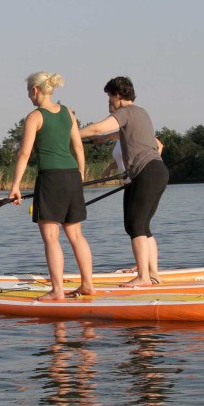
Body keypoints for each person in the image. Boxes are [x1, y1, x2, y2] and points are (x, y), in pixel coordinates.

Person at [9, 72, 95, 301]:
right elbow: (78, 147)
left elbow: (24, 153)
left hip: (50, 178)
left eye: (29, 92)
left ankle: (57, 290)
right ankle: (88, 284)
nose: (29, 97)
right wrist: (81, 175)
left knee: (51, 236)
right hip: (72, 176)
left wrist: (15, 185)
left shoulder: (35, 117)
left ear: (35, 90)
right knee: (76, 235)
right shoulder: (68, 112)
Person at [80, 76, 169, 286]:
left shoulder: (124, 112)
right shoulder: (140, 113)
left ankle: (143, 277)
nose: (108, 102)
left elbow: (97, 128)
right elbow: (112, 135)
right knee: (141, 226)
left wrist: (70, 132)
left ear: (118, 96)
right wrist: (96, 140)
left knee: (136, 224)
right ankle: (153, 273)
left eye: (109, 97)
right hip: (155, 172)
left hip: (147, 172)